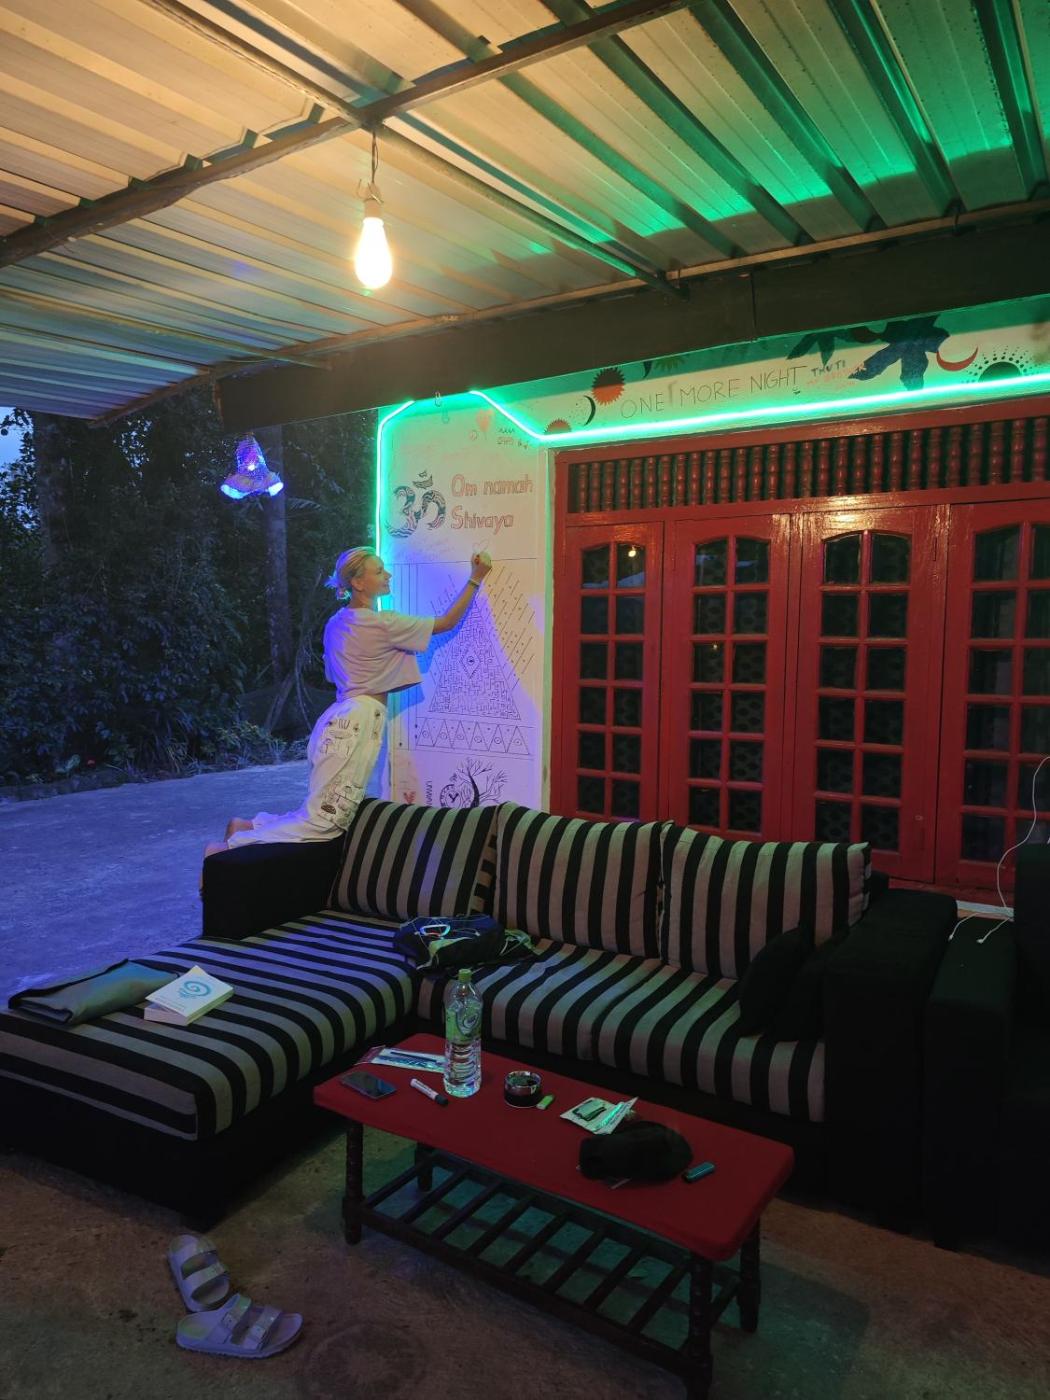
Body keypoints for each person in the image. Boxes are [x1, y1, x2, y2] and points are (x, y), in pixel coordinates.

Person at [203, 546, 493, 860]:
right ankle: (225, 851)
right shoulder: (383, 623)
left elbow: (336, 674)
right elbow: (447, 622)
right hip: (359, 721)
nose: (388, 575)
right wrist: (475, 578)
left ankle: (247, 826)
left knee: (318, 813)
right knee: (324, 823)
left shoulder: (335, 623)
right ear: (357, 582)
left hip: (337, 718)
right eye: (379, 571)